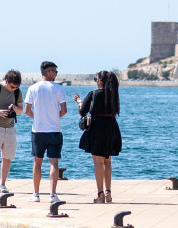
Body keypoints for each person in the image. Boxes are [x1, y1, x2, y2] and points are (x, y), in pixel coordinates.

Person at [74, 70, 122, 203]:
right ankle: (108, 193)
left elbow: (83, 112)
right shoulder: (114, 94)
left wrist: (79, 102)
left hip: (97, 129)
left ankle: (100, 194)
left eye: (96, 80)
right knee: (107, 161)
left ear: (100, 81)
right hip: (112, 128)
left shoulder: (93, 94)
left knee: (98, 162)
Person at [23, 61, 67, 204]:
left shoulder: (33, 88)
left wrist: (39, 118)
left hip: (38, 131)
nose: (56, 74)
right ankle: (53, 195)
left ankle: (36, 194)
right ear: (49, 72)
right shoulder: (59, 89)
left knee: (37, 162)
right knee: (54, 162)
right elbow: (64, 110)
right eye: (55, 71)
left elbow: (27, 110)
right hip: (55, 130)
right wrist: (53, 117)